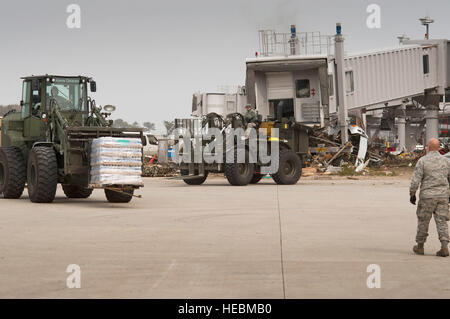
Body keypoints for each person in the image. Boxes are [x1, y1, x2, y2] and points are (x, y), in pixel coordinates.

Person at [410, 138, 450, 257]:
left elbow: (415, 180)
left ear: (428, 147)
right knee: (442, 221)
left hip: (427, 196)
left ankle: (420, 246)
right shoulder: (446, 161)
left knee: (423, 221)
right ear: (439, 148)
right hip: (443, 196)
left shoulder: (423, 161)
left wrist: (412, 194)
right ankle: (444, 247)